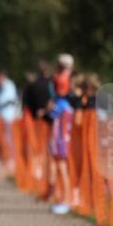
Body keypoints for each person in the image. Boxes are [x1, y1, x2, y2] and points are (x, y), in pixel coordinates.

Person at [47, 72, 74, 215]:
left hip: (60, 140)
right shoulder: (66, 103)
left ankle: (67, 200)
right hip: (62, 139)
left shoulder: (60, 104)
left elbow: (51, 116)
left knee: (62, 169)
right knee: (61, 169)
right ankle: (65, 198)